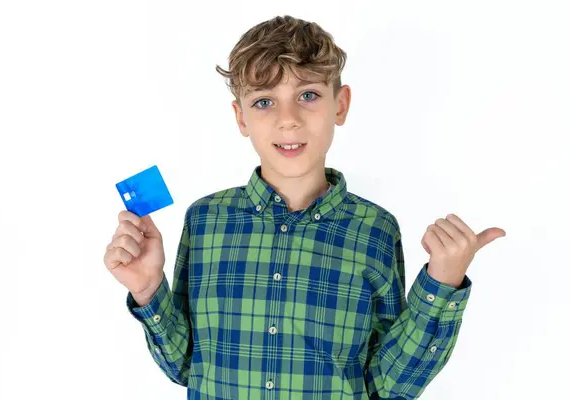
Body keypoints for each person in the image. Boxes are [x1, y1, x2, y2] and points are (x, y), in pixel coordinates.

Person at [103, 15, 505, 399]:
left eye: (308, 95)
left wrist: (443, 281)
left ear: (340, 104)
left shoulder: (375, 230)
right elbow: (187, 366)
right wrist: (148, 288)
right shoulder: (206, 221)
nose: (288, 120)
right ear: (240, 117)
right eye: (264, 102)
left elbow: (389, 384)